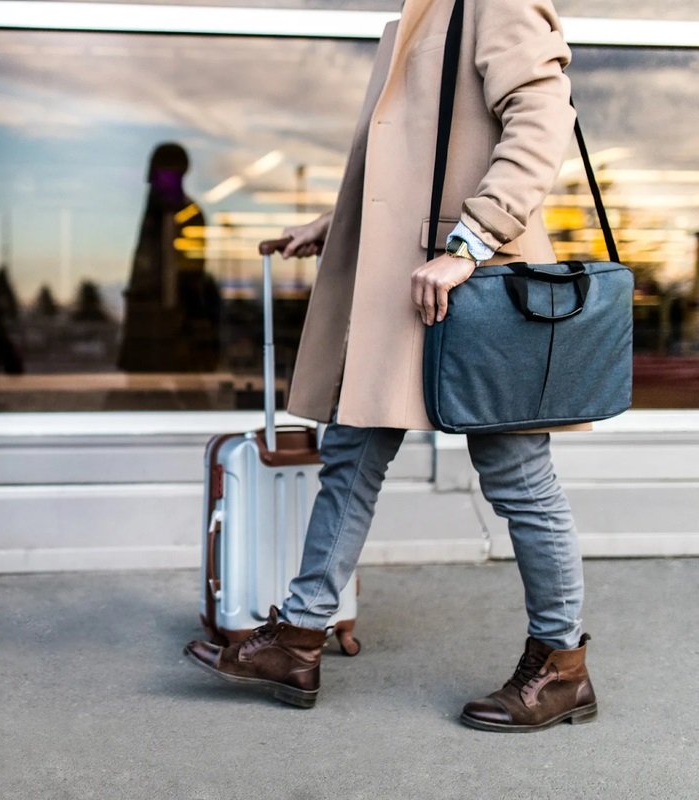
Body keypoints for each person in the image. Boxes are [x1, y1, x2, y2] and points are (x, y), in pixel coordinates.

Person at [184, 0, 597, 733]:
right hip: (407, 282)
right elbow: (414, 155)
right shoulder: (430, 7)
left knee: (517, 478)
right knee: (350, 454)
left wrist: (470, 244)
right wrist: (337, 222)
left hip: (472, 285)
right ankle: (299, 640)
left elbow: (542, 120)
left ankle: (562, 668)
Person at [118, 142, 220, 373]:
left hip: (175, 320)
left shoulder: (186, 215)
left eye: (163, 174)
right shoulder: (154, 218)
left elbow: (190, 272)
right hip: (149, 320)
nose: (154, 181)